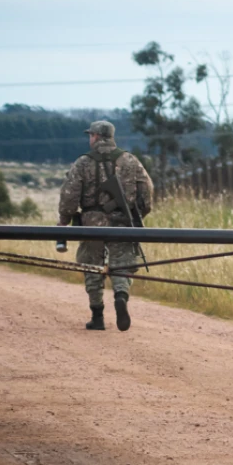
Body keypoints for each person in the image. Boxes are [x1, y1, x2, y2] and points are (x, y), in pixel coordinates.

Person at [57, 120, 153, 331]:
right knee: (122, 264)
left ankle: (97, 316)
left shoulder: (83, 163)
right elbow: (146, 195)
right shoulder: (130, 161)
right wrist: (136, 216)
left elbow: (69, 197)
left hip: (91, 225)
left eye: (90, 135)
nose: (90, 139)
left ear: (96, 137)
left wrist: (64, 220)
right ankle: (121, 296)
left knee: (92, 267)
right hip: (122, 223)